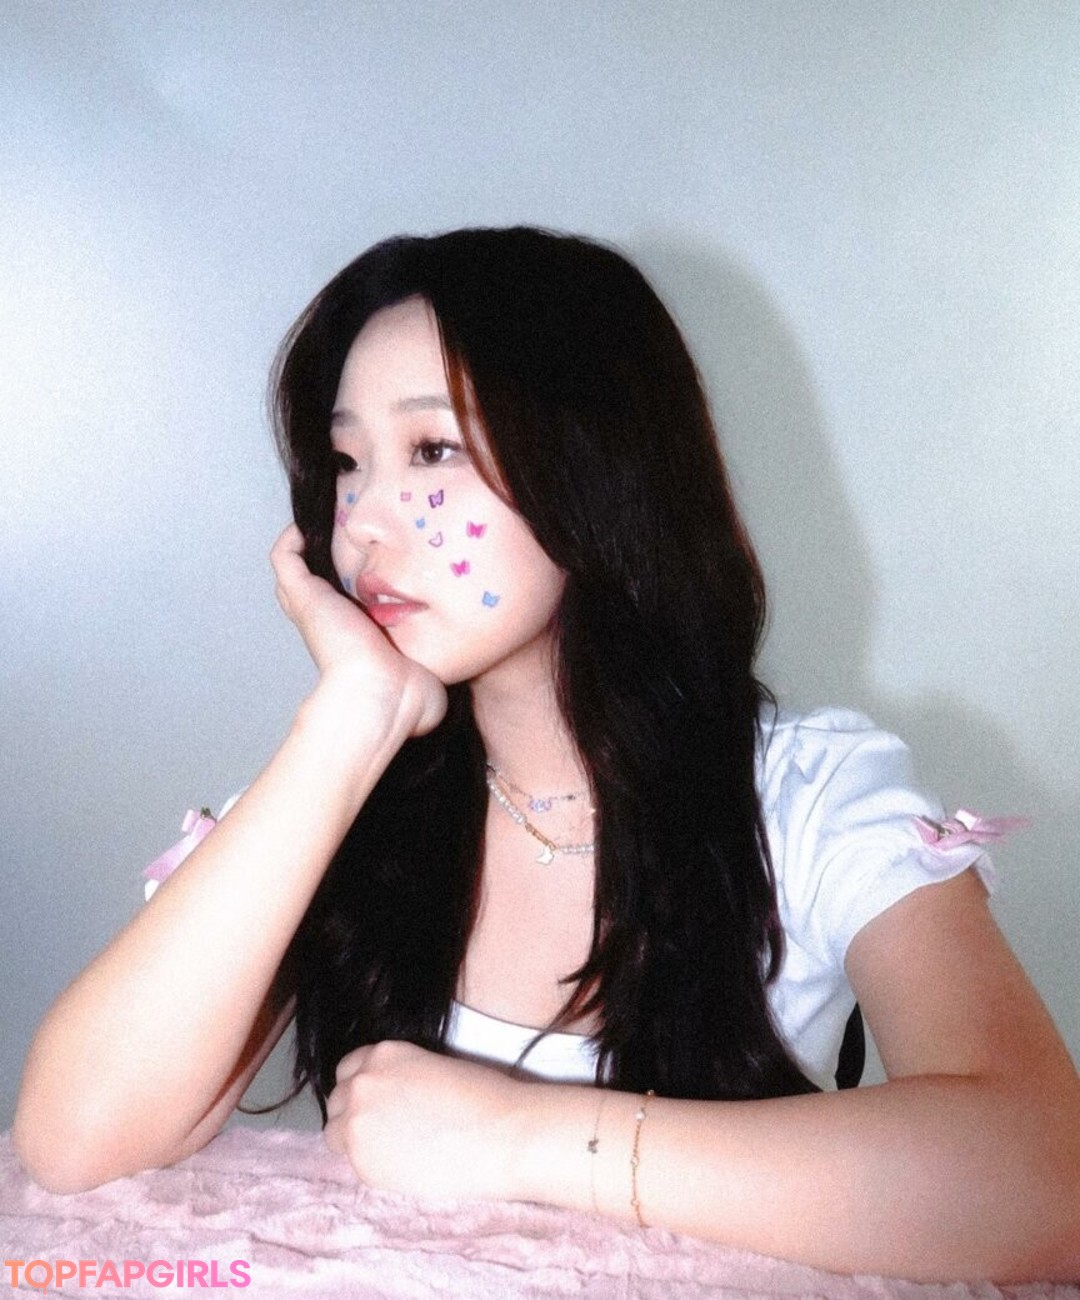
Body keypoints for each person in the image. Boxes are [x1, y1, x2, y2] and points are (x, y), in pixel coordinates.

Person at [14, 227, 1080, 1282]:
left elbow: (1048, 1180)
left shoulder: (809, 796)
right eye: (347, 463)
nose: (363, 525)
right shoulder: (338, 787)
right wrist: (349, 722)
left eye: (432, 452)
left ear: (592, 468)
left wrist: (521, 1137)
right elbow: (73, 1141)